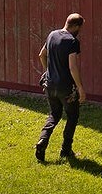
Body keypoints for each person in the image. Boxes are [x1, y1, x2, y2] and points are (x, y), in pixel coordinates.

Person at [36, 13, 85, 162]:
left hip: (50, 85)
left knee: (54, 114)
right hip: (66, 87)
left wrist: (47, 72)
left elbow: (41, 55)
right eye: (80, 28)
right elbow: (72, 67)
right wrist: (80, 88)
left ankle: (43, 140)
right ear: (76, 26)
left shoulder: (52, 35)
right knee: (73, 115)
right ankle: (66, 150)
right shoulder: (72, 41)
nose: (80, 31)